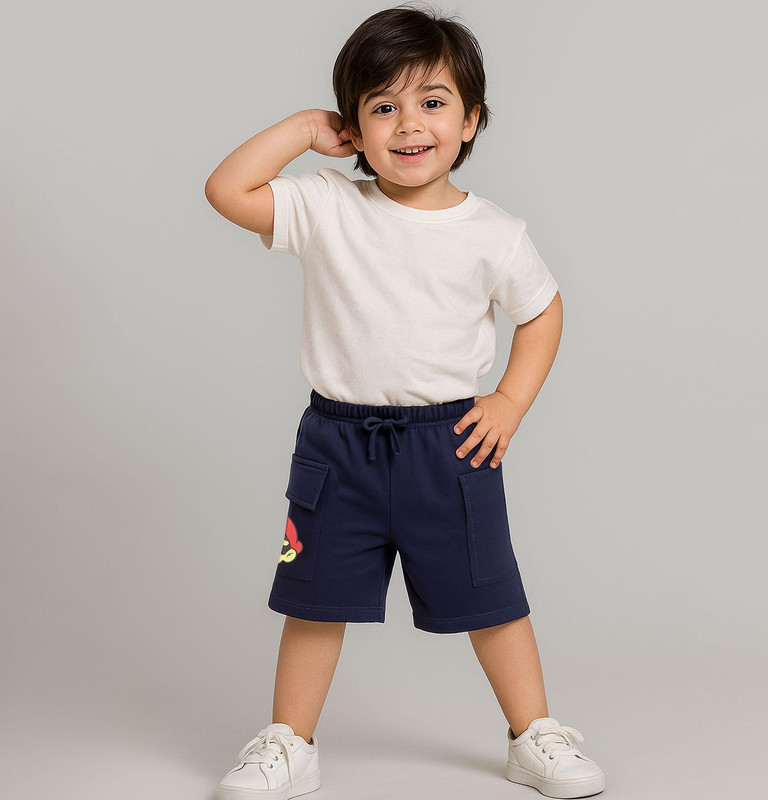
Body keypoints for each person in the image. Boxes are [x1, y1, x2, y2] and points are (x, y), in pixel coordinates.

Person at [204, 5, 605, 799]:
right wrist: (303, 128)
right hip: (338, 444)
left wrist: (510, 401)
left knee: (492, 598)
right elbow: (226, 189)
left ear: (471, 120)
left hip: (447, 445)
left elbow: (543, 311)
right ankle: (290, 742)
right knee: (314, 601)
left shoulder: (494, 232)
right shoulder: (327, 205)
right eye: (382, 106)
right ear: (353, 127)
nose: (409, 124)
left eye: (432, 102)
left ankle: (534, 734)